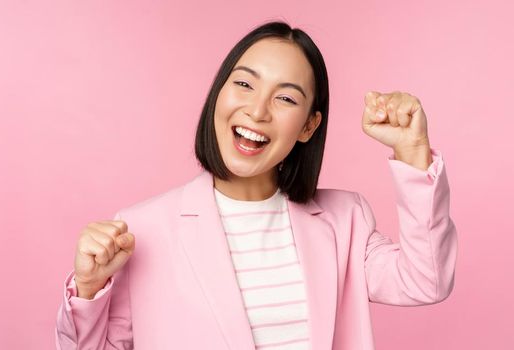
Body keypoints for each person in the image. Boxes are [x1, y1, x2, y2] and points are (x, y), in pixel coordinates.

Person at [54, 21, 457, 350]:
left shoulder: (345, 220)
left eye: (285, 98)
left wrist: (413, 150)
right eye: (244, 84)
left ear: (308, 126)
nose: (258, 110)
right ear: (219, 94)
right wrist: (88, 290)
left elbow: (426, 280)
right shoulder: (142, 231)